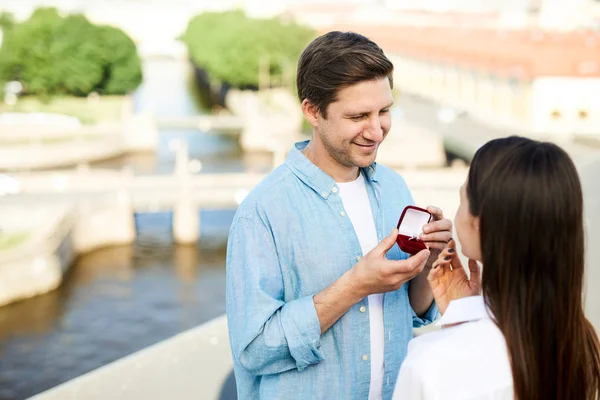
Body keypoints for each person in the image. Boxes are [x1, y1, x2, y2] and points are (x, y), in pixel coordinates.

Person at [225, 31, 452, 400]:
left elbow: (409, 311)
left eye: (384, 111)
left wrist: (427, 263)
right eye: (358, 116)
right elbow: (253, 350)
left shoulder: (395, 187)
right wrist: (354, 286)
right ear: (312, 111)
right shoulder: (262, 212)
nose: (377, 130)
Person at [392, 136, 600, 400]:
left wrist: (458, 330)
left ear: (479, 222)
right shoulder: (582, 344)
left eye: (462, 199)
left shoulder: (430, 363)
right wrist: (465, 315)